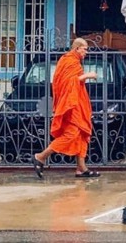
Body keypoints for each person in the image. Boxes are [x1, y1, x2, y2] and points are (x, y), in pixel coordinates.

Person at [32, 37, 100, 178]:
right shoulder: (68, 61)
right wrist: (87, 75)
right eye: (85, 49)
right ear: (77, 48)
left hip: (77, 103)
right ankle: (41, 156)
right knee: (71, 134)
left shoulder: (74, 62)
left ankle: (81, 168)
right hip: (70, 105)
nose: (86, 52)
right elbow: (67, 82)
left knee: (81, 133)